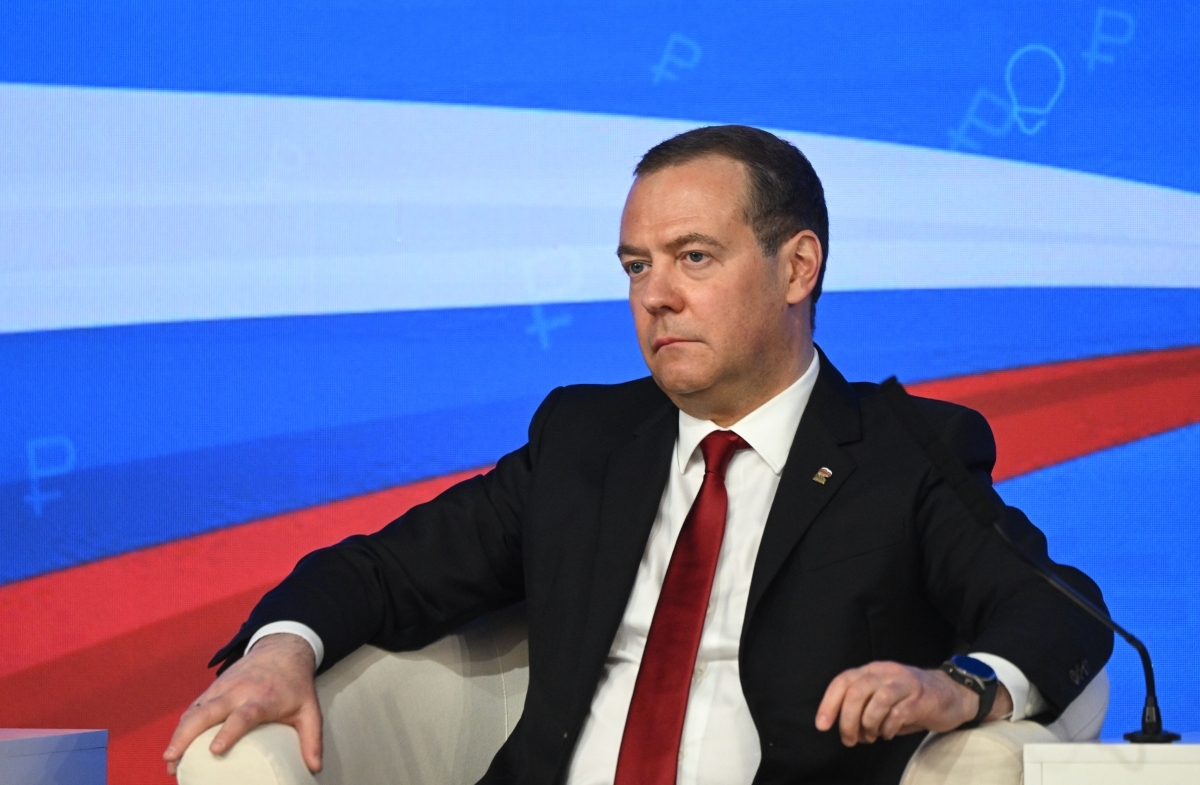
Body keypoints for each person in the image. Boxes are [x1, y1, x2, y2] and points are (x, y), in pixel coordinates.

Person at [165, 125, 1112, 784]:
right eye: (635, 265)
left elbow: (1057, 610)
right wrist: (279, 651)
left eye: (693, 257)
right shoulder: (585, 440)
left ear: (797, 267)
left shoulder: (904, 450)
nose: (654, 295)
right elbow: (385, 570)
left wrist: (960, 687)